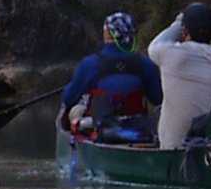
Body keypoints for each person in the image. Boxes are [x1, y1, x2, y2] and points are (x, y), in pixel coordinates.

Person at [148, 0, 211, 150]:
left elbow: (156, 43)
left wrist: (180, 20)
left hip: (175, 150)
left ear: (184, 31)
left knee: (157, 114)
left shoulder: (171, 55)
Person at [56, 11, 156, 143]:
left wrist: (71, 86)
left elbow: (68, 99)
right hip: (139, 130)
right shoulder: (146, 63)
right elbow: (157, 98)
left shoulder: (89, 64)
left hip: (102, 132)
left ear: (108, 34)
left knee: (73, 111)